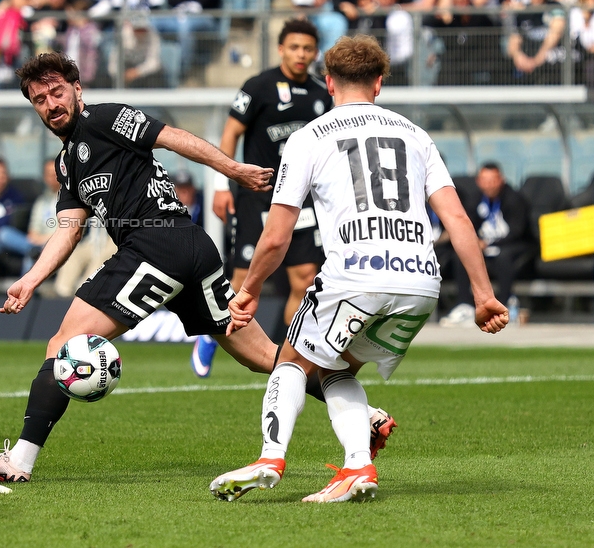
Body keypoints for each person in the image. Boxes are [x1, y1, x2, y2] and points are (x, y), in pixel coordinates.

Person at [0, 53, 397, 484]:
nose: (51, 104)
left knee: (63, 344)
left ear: (77, 89)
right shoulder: (67, 163)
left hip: (156, 244)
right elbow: (68, 229)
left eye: (57, 92)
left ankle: (19, 461)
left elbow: (172, 137)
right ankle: (367, 415)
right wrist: (31, 279)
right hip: (189, 249)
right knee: (267, 357)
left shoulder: (105, 118)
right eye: (39, 99)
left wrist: (232, 171)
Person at [210, 34, 509, 504]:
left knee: (291, 360)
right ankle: (356, 466)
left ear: (329, 82)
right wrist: (483, 295)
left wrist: (249, 288)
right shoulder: (416, 135)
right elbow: (457, 219)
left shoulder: (308, 137)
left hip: (356, 274)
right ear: (379, 83)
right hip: (419, 283)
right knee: (337, 369)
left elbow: (277, 235)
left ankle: (271, 457)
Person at [194, 20, 329, 378]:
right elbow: (230, 134)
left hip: (301, 199)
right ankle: (210, 333)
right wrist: (222, 185)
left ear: (315, 52)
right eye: (294, 47)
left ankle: (288, 356)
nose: (301, 54)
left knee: (305, 278)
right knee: (242, 279)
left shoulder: (322, 93)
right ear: (281, 49)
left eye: (308, 48)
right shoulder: (257, 86)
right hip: (258, 195)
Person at [441, 162, 530, 326]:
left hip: (511, 247)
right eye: (485, 181)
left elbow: (518, 232)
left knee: (504, 257)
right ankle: (465, 306)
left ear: (501, 179)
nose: (489, 185)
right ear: (478, 181)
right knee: (461, 254)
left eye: (493, 180)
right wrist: (476, 242)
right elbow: (468, 226)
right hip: (486, 248)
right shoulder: (474, 199)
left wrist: (489, 243)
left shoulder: (515, 199)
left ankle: (505, 304)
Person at [504, 0, 567, 84]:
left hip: (550, 61)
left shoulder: (554, 7)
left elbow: (556, 31)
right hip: (527, 58)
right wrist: (518, 56)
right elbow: (514, 39)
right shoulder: (522, 12)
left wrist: (537, 60)